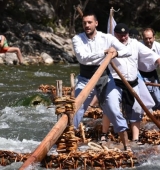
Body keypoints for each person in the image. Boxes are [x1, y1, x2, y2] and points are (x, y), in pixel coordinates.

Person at [72, 11, 132, 150]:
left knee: (113, 109)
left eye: (89, 22)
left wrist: (116, 53)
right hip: (85, 79)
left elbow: (127, 51)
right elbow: (82, 58)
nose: (87, 25)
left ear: (96, 23)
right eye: (84, 23)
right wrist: (104, 52)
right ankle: (67, 140)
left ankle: (126, 145)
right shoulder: (77, 38)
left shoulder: (107, 38)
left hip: (105, 78)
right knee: (76, 109)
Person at [101, 23, 160, 145]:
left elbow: (151, 55)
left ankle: (135, 139)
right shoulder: (110, 44)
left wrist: (158, 60)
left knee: (137, 110)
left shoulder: (135, 44)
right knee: (110, 106)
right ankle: (104, 134)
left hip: (133, 82)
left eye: (125, 35)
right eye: (120, 35)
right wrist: (106, 52)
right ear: (115, 34)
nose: (123, 38)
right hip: (116, 82)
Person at [139, 28, 160, 110]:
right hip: (140, 74)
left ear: (154, 37)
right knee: (146, 98)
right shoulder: (139, 47)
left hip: (153, 73)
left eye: (150, 38)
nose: (148, 40)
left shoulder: (158, 46)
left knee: (158, 97)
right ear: (142, 38)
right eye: (146, 38)